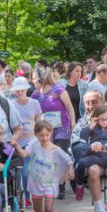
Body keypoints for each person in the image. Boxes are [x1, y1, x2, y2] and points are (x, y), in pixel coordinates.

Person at [12, 121, 74, 212]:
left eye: (47, 135)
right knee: (38, 209)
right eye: (41, 135)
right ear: (35, 135)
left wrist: (71, 170)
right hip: (35, 180)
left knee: (49, 209)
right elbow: (24, 154)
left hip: (50, 182)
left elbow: (68, 159)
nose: (44, 138)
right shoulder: (34, 144)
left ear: (50, 134)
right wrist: (16, 145)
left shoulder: (55, 149)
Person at [32, 67, 74, 199]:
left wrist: (73, 122)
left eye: (35, 78)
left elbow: (69, 107)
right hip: (46, 130)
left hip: (62, 127)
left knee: (59, 154)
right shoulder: (36, 93)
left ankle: (61, 185)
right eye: (33, 78)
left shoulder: (58, 89)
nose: (34, 81)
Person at [10, 76, 42, 207]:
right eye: (17, 91)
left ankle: (28, 196)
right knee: (18, 170)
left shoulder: (34, 103)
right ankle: (18, 194)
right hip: (18, 141)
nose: (19, 93)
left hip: (31, 140)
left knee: (26, 169)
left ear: (26, 89)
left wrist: (41, 138)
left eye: (22, 90)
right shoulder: (12, 104)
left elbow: (39, 121)